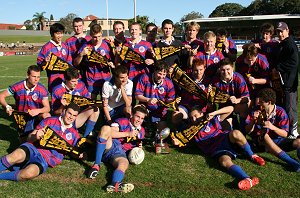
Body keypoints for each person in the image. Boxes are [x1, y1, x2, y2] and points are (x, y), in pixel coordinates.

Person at [172, 105, 265, 190]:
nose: (194, 119)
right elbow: (183, 140)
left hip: (225, 139)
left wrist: (213, 113)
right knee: (224, 162)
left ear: (201, 114)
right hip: (217, 149)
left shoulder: (210, 120)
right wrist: (177, 142)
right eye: (191, 117)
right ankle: (247, 179)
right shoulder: (191, 131)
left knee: (236, 133)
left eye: (196, 115)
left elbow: (231, 109)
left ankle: (252, 155)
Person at [0, 103, 84, 181]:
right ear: (64, 111)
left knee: (29, 173)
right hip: (33, 148)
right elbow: (29, 138)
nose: (71, 117)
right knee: (15, 156)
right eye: (69, 113)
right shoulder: (49, 121)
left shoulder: (75, 135)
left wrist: (79, 155)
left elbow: (73, 152)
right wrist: (35, 136)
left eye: (74, 115)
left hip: (45, 160)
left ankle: (2, 176)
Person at [86, 105, 148, 193]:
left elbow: (135, 144)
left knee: (123, 164)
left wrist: (138, 147)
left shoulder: (141, 131)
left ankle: (115, 184)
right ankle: (96, 165)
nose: (139, 120)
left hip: (120, 154)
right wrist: (128, 133)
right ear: (132, 115)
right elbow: (111, 132)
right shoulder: (123, 121)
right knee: (105, 128)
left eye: (142, 118)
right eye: (137, 116)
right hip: (110, 145)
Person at [245, 88, 300, 172]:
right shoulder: (255, 110)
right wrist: (252, 121)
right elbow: (247, 131)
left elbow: (285, 134)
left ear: (269, 102)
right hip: (261, 142)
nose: (259, 103)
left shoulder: (280, 112)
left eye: (262, 101)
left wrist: (272, 127)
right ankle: (292, 162)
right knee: (265, 136)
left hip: (278, 141)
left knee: (298, 142)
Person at [0, 65, 50, 136]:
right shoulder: (17, 87)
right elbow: (1, 96)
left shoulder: (42, 89)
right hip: (22, 117)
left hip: (37, 116)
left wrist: (37, 111)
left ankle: (45, 137)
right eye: (34, 76)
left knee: (47, 115)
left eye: (38, 77)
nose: (36, 79)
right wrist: (7, 106)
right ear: (27, 75)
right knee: (25, 141)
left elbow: (47, 108)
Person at [51, 67, 99, 137]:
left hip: (77, 117)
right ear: (66, 80)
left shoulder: (81, 84)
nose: (76, 83)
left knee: (95, 110)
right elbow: (55, 113)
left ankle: (86, 136)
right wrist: (63, 106)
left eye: (77, 80)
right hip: (64, 120)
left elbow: (88, 101)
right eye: (73, 81)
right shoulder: (57, 90)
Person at [73, 23, 113, 99]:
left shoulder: (107, 45)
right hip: (91, 79)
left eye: (99, 36)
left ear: (101, 33)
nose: (97, 39)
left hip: (105, 79)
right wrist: (81, 54)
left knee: (106, 105)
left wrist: (111, 64)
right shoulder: (86, 46)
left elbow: (114, 61)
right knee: (91, 105)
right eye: (94, 37)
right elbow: (75, 63)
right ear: (90, 35)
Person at [274, 22, 299, 138]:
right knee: (285, 105)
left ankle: (293, 131)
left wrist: (278, 67)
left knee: (290, 106)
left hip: (289, 83)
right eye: (278, 31)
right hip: (283, 82)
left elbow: (294, 62)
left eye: (282, 31)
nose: (280, 33)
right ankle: (286, 129)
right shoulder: (283, 43)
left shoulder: (290, 44)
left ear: (287, 30)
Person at [135, 61, 175, 132]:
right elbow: (137, 96)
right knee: (137, 113)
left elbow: (170, 99)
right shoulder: (144, 77)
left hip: (159, 110)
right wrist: (148, 100)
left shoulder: (169, 83)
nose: (161, 76)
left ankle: (154, 130)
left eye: (164, 74)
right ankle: (142, 129)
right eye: (159, 73)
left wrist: (172, 101)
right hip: (144, 106)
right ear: (154, 71)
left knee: (162, 129)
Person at [212, 58, 250, 131]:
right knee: (226, 129)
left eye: (228, 69)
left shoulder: (239, 78)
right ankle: (232, 122)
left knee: (244, 107)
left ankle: (243, 130)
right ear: (220, 69)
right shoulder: (216, 81)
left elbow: (247, 98)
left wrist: (237, 100)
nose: (225, 72)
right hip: (224, 107)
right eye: (223, 70)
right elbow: (212, 98)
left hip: (237, 104)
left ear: (232, 68)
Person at [37, 23, 72, 93]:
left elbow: (69, 62)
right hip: (54, 82)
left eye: (61, 33)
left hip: (66, 81)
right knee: (56, 103)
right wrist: (45, 62)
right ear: (52, 34)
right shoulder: (46, 48)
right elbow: (39, 66)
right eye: (57, 34)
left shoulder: (65, 46)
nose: (60, 36)